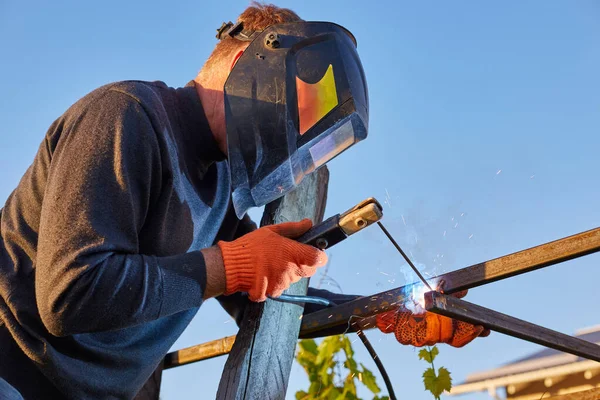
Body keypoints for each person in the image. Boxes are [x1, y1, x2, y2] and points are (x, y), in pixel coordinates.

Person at [0, 4, 486, 399]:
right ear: (247, 68)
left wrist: (387, 309)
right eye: (296, 110)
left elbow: (280, 304)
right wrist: (229, 265)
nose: (294, 141)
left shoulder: (223, 188)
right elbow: (69, 294)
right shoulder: (125, 116)